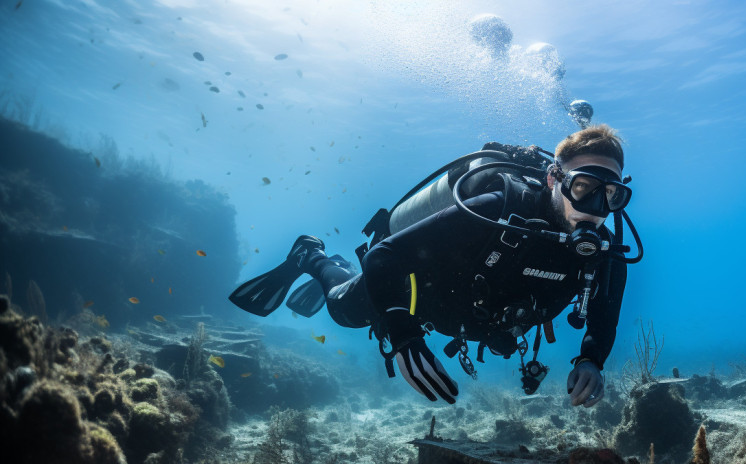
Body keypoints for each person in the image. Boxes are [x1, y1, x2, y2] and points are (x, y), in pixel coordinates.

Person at [230, 125, 638, 408]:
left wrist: (591, 359)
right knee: (343, 310)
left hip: (478, 316)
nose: (597, 210)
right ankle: (313, 257)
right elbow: (384, 256)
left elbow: (604, 313)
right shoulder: (496, 209)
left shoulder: (603, 253)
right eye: (583, 188)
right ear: (554, 179)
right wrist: (404, 336)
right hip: (419, 292)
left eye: (612, 196)